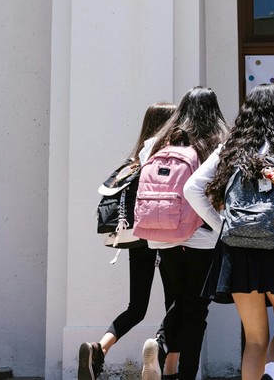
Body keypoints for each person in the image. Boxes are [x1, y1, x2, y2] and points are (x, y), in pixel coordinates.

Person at [184, 84, 274, 380]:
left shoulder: (231, 147)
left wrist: (221, 224)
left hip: (237, 248)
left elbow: (192, 188)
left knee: (254, 339)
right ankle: (272, 374)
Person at [79, 102, 176, 380]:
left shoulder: (136, 160)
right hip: (165, 237)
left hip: (137, 238)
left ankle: (99, 348)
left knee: (136, 308)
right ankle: (166, 362)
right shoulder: (168, 159)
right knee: (176, 303)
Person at [141, 87, 230, 380]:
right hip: (202, 235)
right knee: (195, 308)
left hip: (163, 233)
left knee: (178, 299)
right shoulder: (217, 143)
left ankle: (161, 347)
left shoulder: (155, 144)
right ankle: (183, 370)